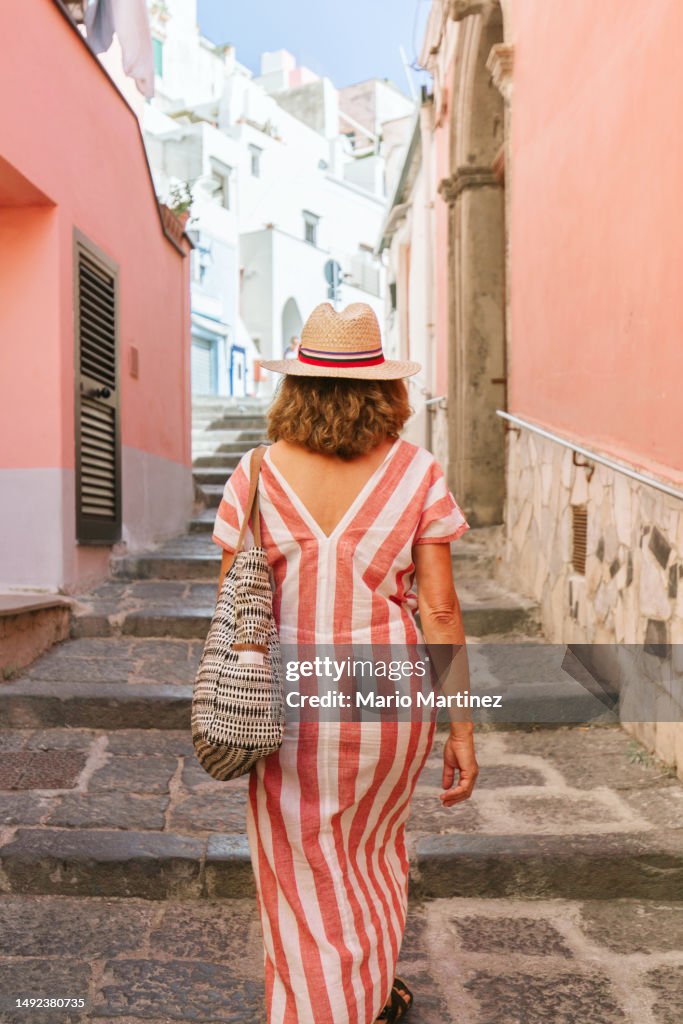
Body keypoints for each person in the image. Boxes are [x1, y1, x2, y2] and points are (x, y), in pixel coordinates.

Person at [212, 302, 479, 1024]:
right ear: (384, 389)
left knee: (300, 875)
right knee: (373, 857)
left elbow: (234, 599)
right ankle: (367, 995)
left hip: (289, 699)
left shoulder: (256, 473)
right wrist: (461, 726)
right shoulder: (417, 472)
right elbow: (441, 611)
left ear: (294, 388)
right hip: (390, 696)